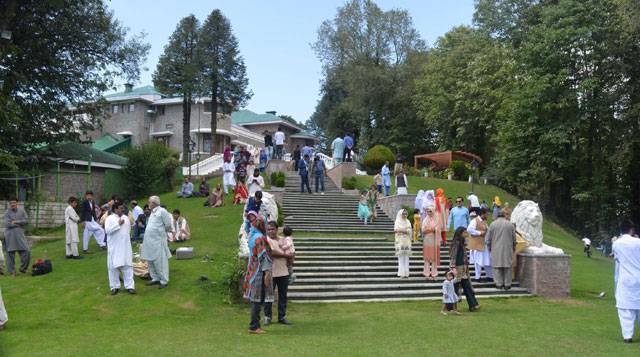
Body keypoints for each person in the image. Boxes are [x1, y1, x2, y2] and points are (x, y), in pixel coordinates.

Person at [243, 217, 273, 334]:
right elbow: (263, 255)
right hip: (259, 272)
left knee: (256, 300)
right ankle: (254, 326)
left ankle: (255, 324)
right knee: (257, 300)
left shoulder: (252, 236)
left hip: (252, 269)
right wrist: (267, 272)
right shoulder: (259, 238)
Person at [613, 221, 640, 343]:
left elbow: (617, 260)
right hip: (638, 276)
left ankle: (627, 336)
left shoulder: (616, 244)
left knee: (625, 309)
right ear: (631, 230)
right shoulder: (638, 242)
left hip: (625, 279)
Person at [264, 221, 294, 326]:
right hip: (270, 272)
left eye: (272, 229)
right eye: (268, 229)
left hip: (283, 271)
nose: (270, 231)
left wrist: (291, 258)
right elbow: (271, 253)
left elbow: (291, 251)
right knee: (269, 296)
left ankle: (282, 316)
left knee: (283, 296)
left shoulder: (283, 240)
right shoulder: (266, 240)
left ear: (277, 229)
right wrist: (286, 256)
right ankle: (267, 317)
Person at [142, 196, 172, 289]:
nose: (148, 204)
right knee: (150, 260)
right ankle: (155, 278)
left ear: (154, 203)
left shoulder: (162, 211)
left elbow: (168, 225)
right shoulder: (152, 213)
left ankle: (164, 280)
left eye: (149, 202)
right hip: (149, 241)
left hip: (158, 241)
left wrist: (160, 234)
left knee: (160, 261)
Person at [104, 202, 135, 295]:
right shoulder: (109, 219)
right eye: (120, 208)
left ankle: (130, 286)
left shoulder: (126, 218)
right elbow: (107, 231)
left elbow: (128, 231)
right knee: (113, 268)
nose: (122, 210)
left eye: (123, 208)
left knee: (127, 266)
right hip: (114, 247)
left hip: (125, 247)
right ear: (115, 209)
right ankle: (114, 287)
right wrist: (118, 224)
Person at [449, 227, 480, 312]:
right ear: (460, 233)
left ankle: (473, 304)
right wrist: (453, 267)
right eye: (464, 233)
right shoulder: (457, 243)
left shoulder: (461, 243)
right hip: (458, 268)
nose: (466, 235)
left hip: (463, 268)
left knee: (467, 287)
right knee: (456, 287)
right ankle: (451, 306)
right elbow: (453, 256)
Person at [485, 211, 516, 290]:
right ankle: (507, 284)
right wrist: (513, 247)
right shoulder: (510, 224)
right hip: (508, 249)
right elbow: (514, 239)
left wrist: (489, 247)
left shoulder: (492, 224)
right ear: (504, 215)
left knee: (496, 267)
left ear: (497, 216)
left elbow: (487, 239)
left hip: (495, 249)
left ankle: (499, 284)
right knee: (507, 267)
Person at [3, 198, 30, 275]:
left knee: (26, 251)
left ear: (17, 203)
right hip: (10, 236)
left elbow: (26, 221)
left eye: (14, 203)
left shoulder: (22, 211)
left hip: (20, 235)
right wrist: (19, 224)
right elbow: (7, 224)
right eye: (11, 203)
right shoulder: (7, 213)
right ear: (9, 204)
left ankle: (23, 268)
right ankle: (12, 272)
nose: (12, 204)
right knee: (10, 253)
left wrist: (16, 221)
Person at [468, 208, 493, 282]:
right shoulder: (475, 221)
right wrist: (479, 233)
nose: (488, 215)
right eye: (487, 214)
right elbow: (469, 229)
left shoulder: (484, 222)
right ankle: (477, 277)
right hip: (477, 244)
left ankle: (489, 276)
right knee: (478, 262)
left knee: (487, 260)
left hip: (484, 244)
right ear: (483, 214)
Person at [422, 206, 441, 280]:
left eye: (430, 211)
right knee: (427, 257)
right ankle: (426, 272)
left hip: (434, 240)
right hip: (427, 240)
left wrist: (430, 229)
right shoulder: (425, 220)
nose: (429, 213)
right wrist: (431, 229)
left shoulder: (436, 219)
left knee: (433, 257)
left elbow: (437, 229)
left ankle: (434, 272)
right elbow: (423, 229)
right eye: (428, 211)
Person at [394, 209, 412, 278]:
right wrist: (404, 230)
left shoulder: (408, 221)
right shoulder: (397, 221)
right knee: (400, 257)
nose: (405, 215)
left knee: (406, 257)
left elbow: (409, 231)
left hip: (406, 241)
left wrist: (401, 230)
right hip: (400, 241)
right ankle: (401, 273)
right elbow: (396, 230)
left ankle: (406, 273)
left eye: (406, 214)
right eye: (403, 214)